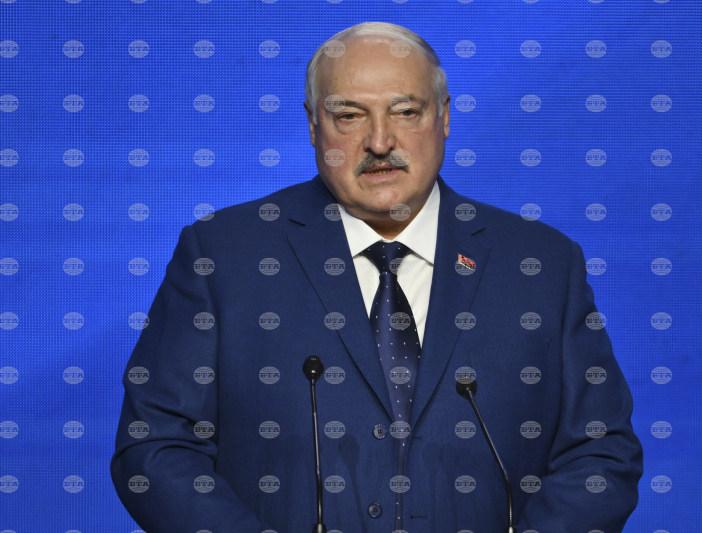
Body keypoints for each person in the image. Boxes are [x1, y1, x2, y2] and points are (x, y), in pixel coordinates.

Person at [110, 22, 643, 533]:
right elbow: (155, 445)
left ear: (444, 117)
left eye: (406, 111)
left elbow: (600, 452)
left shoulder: (542, 264)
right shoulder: (224, 255)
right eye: (349, 116)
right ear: (313, 125)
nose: (381, 141)